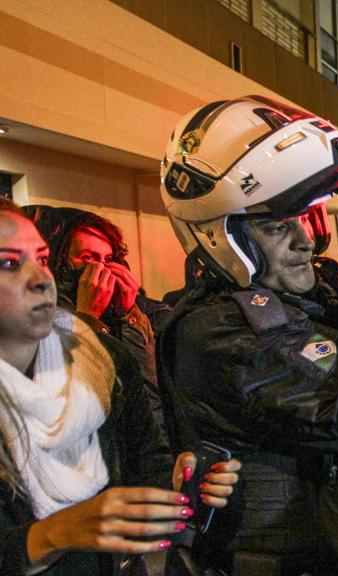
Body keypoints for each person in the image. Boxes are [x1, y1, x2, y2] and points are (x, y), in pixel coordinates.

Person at [156, 96, 338, 576]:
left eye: (305, 216)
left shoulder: (284, 303)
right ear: (219, 236)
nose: (305, 240)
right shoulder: (220, 332)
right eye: (276, 227)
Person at [0, 198, 240, 575]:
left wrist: (180, 482)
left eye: (42, 259)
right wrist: (51, 534)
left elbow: (145, 460)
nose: (39, 278)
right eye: (9, 263)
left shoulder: (109, 356)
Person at [22, 205, 169, 393]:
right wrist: (87, 318)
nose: (102, 269)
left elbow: (147, 396)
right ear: (57, 263)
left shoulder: (150, 314)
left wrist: (129, 316)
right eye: (88, 257)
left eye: (108, 259)